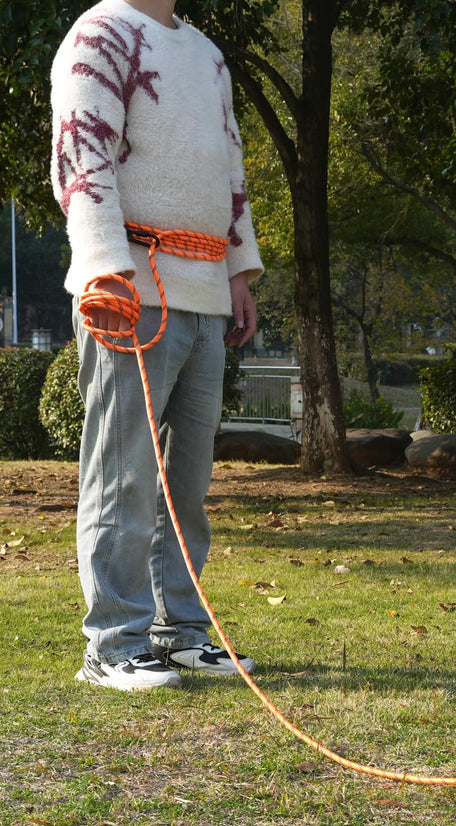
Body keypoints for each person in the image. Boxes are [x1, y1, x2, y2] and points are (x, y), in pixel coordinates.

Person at [50, 0, 264, 691]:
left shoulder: (207, 55)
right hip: (129, 293)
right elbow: (82, 152)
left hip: (203, 296)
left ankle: (179, 632)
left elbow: (230, 169)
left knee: (187, 488)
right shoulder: (101, 32)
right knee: (123, 477)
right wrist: (104, 264)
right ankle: (112, 643)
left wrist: (238, 272)